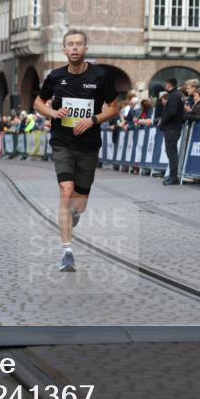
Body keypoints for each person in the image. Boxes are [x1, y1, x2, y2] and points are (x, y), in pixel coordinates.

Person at [34, 29, 119, 272]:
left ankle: (74, 215)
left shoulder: (101, 76)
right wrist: (52, 113)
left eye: (79, 44)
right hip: (62, 142)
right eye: (70, 44)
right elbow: (38, 103)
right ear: (64, 50)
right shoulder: (55, 77)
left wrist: (93, 120)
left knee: (79, 205)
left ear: (85, 50)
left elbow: (114, 108)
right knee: (66, 189)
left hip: (89, 145)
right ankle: (67, 252)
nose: (74, 48)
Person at [157, 78, 185, 185]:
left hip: (172, 128)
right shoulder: (177, 95)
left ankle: (174, 177)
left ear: (169, 84)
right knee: (171, 152)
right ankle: (173, 176)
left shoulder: (174, 95)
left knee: (171, 153)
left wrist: (162, 121)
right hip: (173, 127)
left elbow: (172, 112)